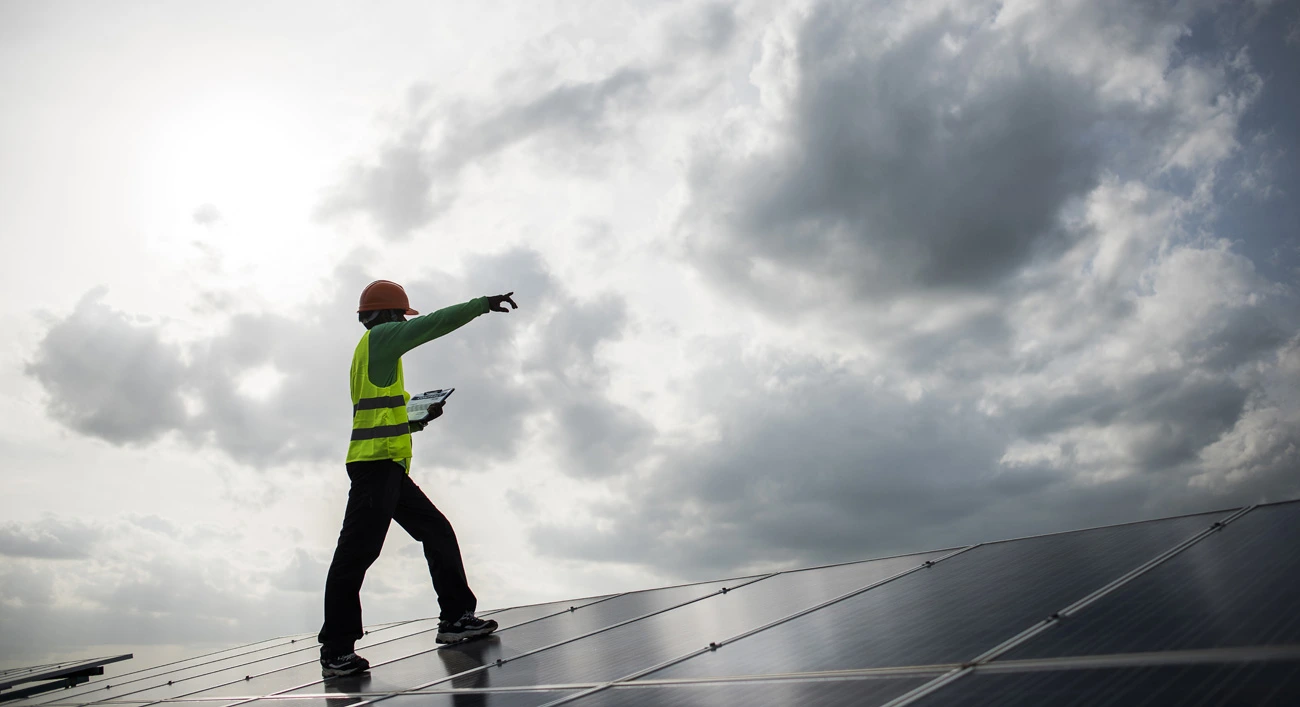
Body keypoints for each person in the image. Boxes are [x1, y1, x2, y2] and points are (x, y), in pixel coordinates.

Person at [318, 279, 518, 678]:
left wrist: (417, 418)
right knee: (356, 555)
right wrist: (481, 303)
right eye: (400, 316)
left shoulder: (372, 353)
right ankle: (336, 651)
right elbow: (432, 324)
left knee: (437, 531)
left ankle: (456, 619)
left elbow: (382, 414)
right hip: (375, 467)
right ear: (391, 316)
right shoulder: (383, 339)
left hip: (387, 464)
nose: (404, 322)